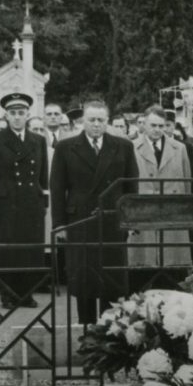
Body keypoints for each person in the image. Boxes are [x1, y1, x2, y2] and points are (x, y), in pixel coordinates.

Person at [51, 100, 138, 325]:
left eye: (101, 120)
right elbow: (58, 188)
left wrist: (130, 219)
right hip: (80, 221)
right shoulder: (65, 147)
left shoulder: (123, 146)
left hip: (112, 221)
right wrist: (60, 224)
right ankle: (86, 330)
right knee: (84, 280)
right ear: (83, 121)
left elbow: (131, 187)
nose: (96, 124)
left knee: (112, 280)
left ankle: (112, 334)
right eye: (91, 120)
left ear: (107, 121)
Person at [0, 93, 50, 308]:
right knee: (7, 252)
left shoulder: (38, 140)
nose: (17, 117)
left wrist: (44, 199)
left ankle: (26, 294)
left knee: (29, 251)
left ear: (28, 115)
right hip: (6, 203)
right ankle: (8, 294)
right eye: (13, 113)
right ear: (6, 116)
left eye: (21, 113)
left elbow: (42, 174)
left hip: (31, 203)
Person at [127, 106, 192, 287]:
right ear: (144, 125)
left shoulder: (179, 149)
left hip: (172, 213)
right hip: (143, 213)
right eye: (153, 125)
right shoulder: (130, 147)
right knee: (143, 263)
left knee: (172, 263)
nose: (157, 129)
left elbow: (187, 183)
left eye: (161, 126)